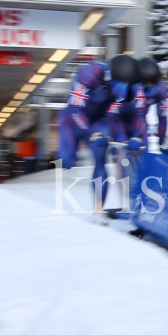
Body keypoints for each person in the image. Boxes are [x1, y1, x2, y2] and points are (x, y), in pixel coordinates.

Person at [57, 54, 139, 218]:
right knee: (66, 161)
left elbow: (128, 113)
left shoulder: (129, 88)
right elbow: (75, 111)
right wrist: (91, 133)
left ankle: (99, 209)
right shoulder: (88, 74)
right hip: (74, 117)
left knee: (101, 156)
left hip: (100, 119)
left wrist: (133, 137)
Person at [111, 57, 168, 152]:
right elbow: (111, 113)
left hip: (139, 120)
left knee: (143, 152)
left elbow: (163, 117)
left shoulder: (161, 89)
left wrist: (161, 141)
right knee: (122, 150)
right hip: (119, 119)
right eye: (145, 85)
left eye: (152, 84)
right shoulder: (126, 84)